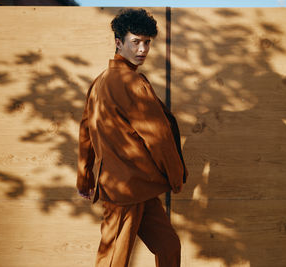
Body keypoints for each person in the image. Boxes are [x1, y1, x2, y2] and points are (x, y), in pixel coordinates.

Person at [76, 8, 187, 267]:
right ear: (119, 42)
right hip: (123, 191)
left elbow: (84, 132)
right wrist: (176, 175)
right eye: (135, 42)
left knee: (169, 246)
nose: (143, 49)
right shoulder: (132, 83)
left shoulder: (98, 82)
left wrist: (85, 176)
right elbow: (158, 136)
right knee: (114, 259)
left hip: (140, 188)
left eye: (147, 42)